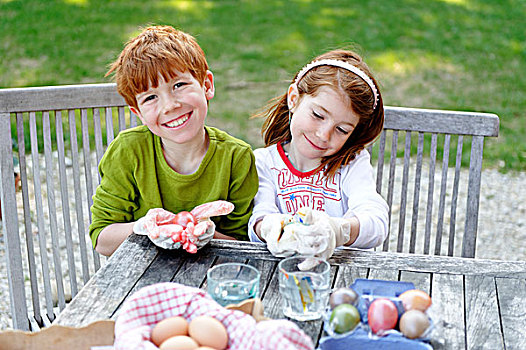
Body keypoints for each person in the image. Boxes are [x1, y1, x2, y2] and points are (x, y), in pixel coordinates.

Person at [90, 25, 259, 256]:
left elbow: (244, 245)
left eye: (179, 85)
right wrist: (143, 228)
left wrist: (205, 233)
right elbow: (102, 241)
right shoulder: (128, 151)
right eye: (151, 97)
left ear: (206, 85)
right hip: (142, 278)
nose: (170, 106)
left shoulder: (236, 158)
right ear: (138, 113)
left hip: (216, 275)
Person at [248, 49, 389, 258]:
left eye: (342, 130)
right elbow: (258, 220)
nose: (324, 135)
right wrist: (269, 226)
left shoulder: (352, 163)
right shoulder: (264, 162)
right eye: (318, 115)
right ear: (293, 99)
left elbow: (376, 222)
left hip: (338, 276)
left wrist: (340, 230)